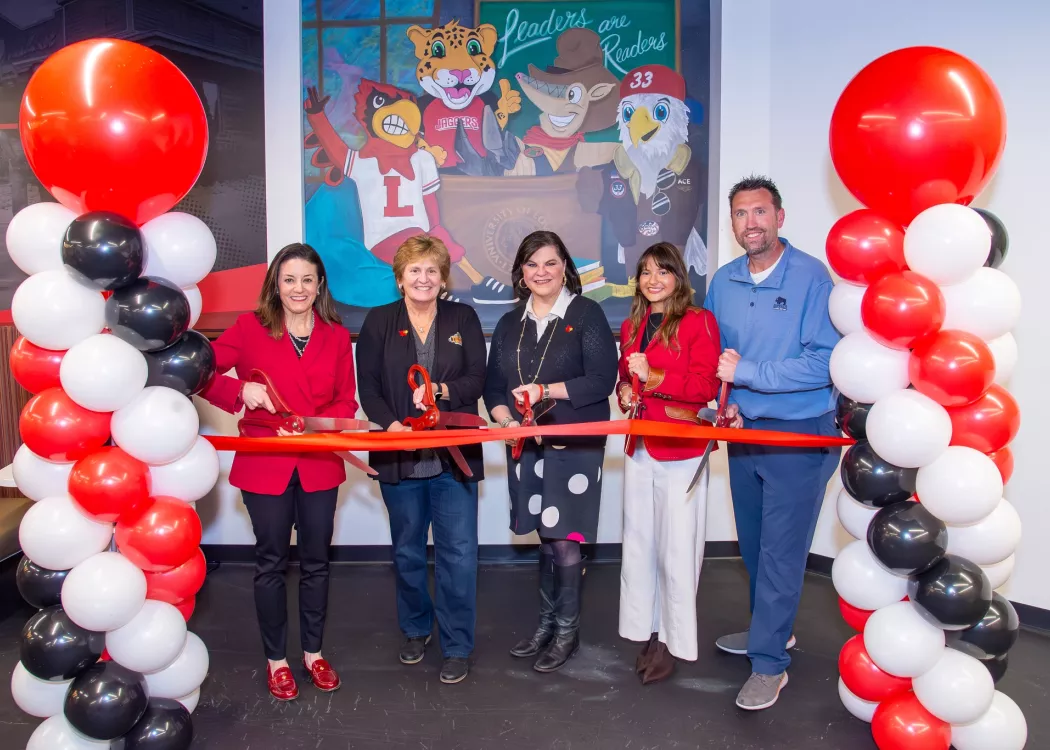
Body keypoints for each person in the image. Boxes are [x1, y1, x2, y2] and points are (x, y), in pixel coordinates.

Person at [703, 176, 842, 710]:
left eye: (760, 212)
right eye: (740, 214)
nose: (750, 223)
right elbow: (716, 355)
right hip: (745, 432)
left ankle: (769, 665)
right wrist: (725, 398)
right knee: (755, 546)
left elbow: (824, 361)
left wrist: (750, 373)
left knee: (782, 554)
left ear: (779, 217)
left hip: (801, 434)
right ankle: (772, 631)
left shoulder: (811, 277)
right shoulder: (726, 280)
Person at [199, 242, 356, 701]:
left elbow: (346, 400)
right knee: (269, 564)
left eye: (307, 279)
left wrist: (318, 427)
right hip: (265, 465)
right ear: (275, 284)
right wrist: (239, 390)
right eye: (289, 279)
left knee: (316, 564)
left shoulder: (336, 335)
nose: (298, 288)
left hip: (318, 465)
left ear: (320, 285)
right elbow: (202, 372)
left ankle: (313, 654)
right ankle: (277, 661)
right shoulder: (249, 328)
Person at [484, 230, 618, 673]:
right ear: (521, 274)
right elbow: (493, 388)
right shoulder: (508, 324)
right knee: (544, 539)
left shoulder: (586, 313)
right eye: (531, 264)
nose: (541, 272)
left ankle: (566, 632)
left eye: (550, 263)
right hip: (527, 446)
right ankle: (546, 625)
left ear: (565, 269)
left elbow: (602, 381)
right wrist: (506, 421)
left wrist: (546, 390)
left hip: (574, 444)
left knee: (565, 541)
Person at [355, 234, 487, 685]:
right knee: (407, 553)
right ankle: (415, 629)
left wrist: (442, 392)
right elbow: (368, 386)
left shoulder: (463, 317)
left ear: (443, 277)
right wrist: (390, 427)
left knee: (459, 555)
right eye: (415, 270)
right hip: (400, 459)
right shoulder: (378, 322)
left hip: (454, 458)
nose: (424, 278)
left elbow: (477, 378)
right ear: (400, 279)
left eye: (432, 270)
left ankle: (456, 645)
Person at [615, 242, 722, 685]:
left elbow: (704, 386)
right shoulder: (631, 323)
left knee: (677, 550)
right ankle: (645, 630)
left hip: (682, 449)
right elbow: (627, 378)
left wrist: (654, 378)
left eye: (662, 272)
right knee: (639, 546)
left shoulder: (700, 321)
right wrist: (625, 391)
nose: (652, 280)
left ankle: (672, 643)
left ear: (679, 276)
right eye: (645, 273)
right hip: (640, 446)